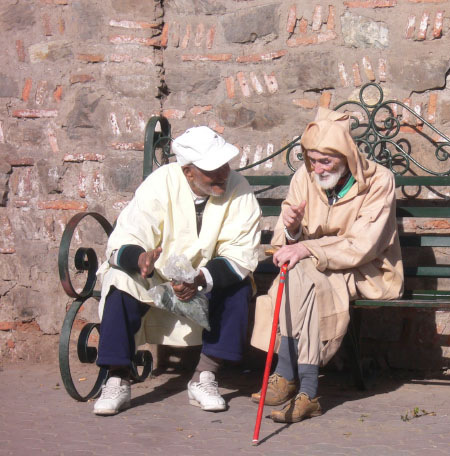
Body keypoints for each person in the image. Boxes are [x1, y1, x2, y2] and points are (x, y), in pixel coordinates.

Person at [92, 126, 261, 416]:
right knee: (118, 278)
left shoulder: (238, 187)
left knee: (240, 285)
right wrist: (140, 259)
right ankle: (117, 376)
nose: (222, 173)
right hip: (157, 278)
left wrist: (199, 279)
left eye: (224, 165)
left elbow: (240, 253)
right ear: (188, 171)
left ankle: (205, 376)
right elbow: (127, 236)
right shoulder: (161, 183)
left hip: (205, 282)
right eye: (212, 169)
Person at [250, 108, 403, 423]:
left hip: (364, 269)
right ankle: (308, 392)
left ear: (346, 156)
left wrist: (305, 247)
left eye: (326, 161)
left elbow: (362, 245)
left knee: (303, 278)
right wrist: (292, 230)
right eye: (311, 160)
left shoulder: (379, 181)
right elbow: (285, 244)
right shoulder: (304, 177)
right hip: (312, 267)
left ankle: (289, 374)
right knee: (300, 276)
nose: (317, 168)